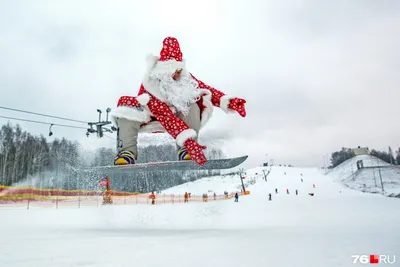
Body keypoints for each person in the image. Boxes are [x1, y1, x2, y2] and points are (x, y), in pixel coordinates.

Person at [110, 37, 247, 166]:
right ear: (165, 71)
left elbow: (205, 88)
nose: (178, 74)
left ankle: (186, 151)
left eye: (180, 70)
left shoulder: (184, 78)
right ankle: (126, 153)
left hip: (178, 118)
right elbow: (164, 114)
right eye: (174, 71)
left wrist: (229, 102)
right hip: (152, 115)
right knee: (126, 105)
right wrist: (186, 138)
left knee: (194, 102)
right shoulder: (151, 83)